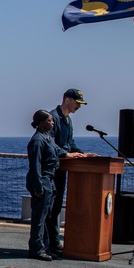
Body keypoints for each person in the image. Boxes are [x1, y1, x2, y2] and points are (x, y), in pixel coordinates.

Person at [46, 88, 90, 256]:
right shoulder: (53, 118)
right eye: (77, 103)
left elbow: (70, 143)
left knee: (56, 207)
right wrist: (66, 154)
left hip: (63, 168)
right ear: (67, 100)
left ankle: (54, 241)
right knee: (50, 207)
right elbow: (49, 143)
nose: (79, 106)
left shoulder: (68, 121)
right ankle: (49, 242)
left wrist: (82, 154)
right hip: (53, 167)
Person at [26, 110, 60, 261]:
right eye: (49, 120)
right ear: (40, 123)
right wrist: (38, 186)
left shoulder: (48, 138)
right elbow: (35, 165)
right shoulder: (38, 140)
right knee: (39, 217)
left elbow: (58, 151)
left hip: (50, 179)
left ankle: (45, 247)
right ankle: (36, 249)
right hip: (43, 179)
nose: (52, 123)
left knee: (47, 216)